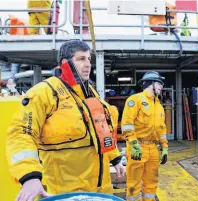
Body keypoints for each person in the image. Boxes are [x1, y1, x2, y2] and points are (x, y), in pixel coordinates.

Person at [6, 40, 125, 201]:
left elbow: (101, 130)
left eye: (89, 59)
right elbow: (21, 134)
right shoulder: (44, 93)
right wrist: (29, 176)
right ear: (65, 63)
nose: (88, 64)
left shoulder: (90, 93)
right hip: (65, 192)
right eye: (81, 59)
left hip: (100, 189)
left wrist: (115, 158)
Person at [121, 71, 168, 201]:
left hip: (153, 149)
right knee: (133, 184)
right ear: (150, 83)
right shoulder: (135, 100)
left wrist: (164, 147)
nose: (161, 87)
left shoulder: (158, 105)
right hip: (137, 148)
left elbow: (161, 129)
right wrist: (133, 142)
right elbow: (127, 124)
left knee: (151, 183)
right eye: (159, 83)